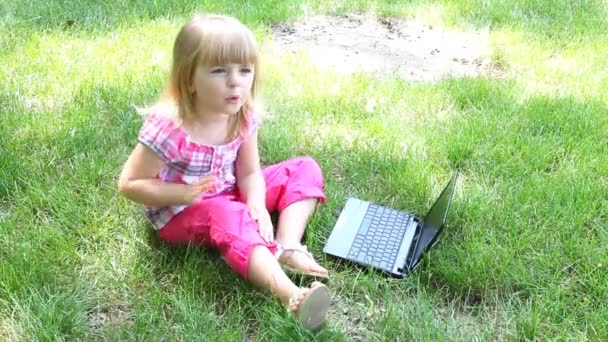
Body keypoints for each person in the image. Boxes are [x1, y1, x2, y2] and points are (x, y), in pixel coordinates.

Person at [117, 13, 331, 330]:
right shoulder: (171, 128)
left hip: (228, 189)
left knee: (303, 168)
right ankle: (293, 297)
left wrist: (256, 203)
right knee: (230, 215)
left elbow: (248, 172)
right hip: (180, 210)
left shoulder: (242, 115)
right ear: (188, 78)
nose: (235, 81)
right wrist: (182, 193)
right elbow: (129, 183)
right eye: (219, 71)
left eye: (245, 70)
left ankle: (288, 245)